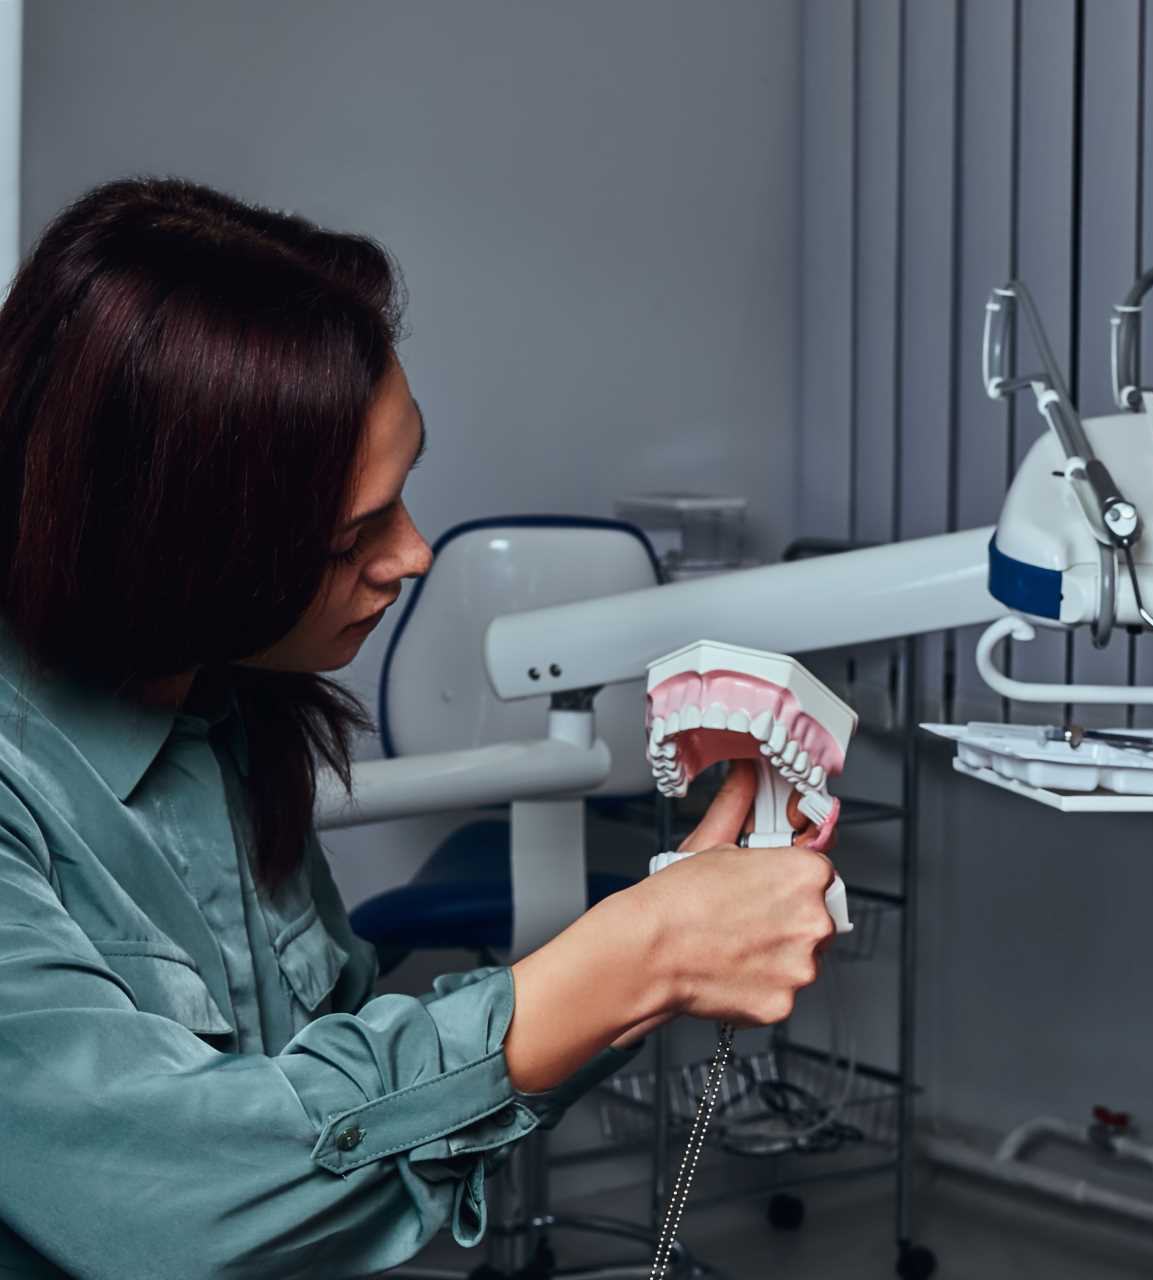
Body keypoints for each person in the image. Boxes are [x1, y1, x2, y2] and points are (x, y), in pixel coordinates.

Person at [0, 177, 836, 1278]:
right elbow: (170, 1202)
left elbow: (352, 1090)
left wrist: (645, 956)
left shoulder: (223, 717)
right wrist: (640, 955)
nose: (413, 555)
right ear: (185, 542)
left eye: (403, 494)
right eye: (356, 535)